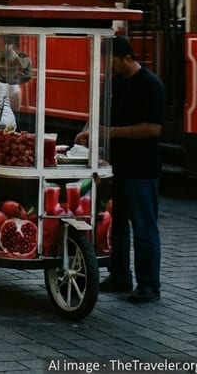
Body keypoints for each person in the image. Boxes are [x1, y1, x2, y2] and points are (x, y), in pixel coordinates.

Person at [76, 35, 163, 303]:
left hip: (142, 169)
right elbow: (101, 117)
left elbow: (153, 128)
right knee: (117, 226)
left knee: (143, 227)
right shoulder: (114, 82)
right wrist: (88, 132)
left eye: (112, 62)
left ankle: (149, 285)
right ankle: (120, 275)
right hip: (116, 168)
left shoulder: (151, 85)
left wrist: (108, 133)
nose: (108, 67)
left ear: (127, 58)